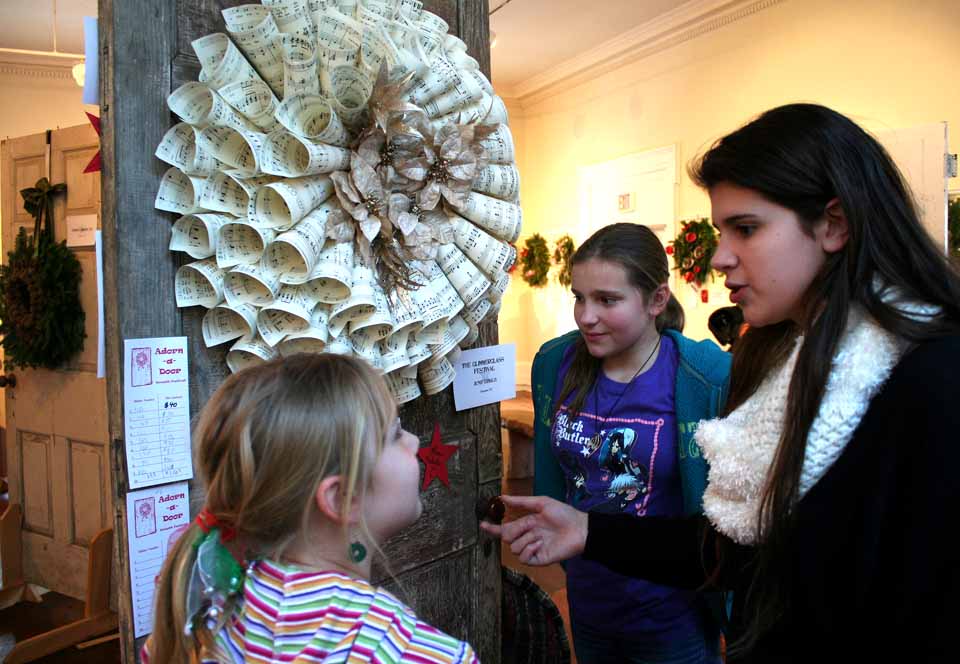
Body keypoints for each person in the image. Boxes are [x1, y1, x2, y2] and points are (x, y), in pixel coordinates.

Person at [484, 103, 960, 663]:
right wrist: (591, 529)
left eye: (747, 228)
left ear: (833, 224)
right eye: (719, 230)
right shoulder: (788, 360)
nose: (718, 255)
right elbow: (737, 550)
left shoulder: (932, 376)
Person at [144, 354, 479, 664]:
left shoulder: (209, 608)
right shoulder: (395, 648)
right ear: (341, 497)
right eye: (395, 434)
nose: (414, 442)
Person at [531, 223, 731, 663]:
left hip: (671, 617)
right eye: (579, 297)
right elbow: (552, 476)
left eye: (607, 300)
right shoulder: (554, 362)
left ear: (657, 300)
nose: (586, 315)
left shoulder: (700, 378)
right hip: (588, 604)